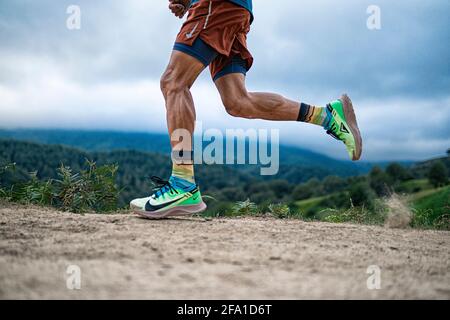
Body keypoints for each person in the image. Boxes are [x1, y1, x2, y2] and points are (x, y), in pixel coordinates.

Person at [130, 0, 362, 219]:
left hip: (217, 6)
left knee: (173, 82)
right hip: (234, 10)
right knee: (238, 101)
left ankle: (182, 184)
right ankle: (327, 116)